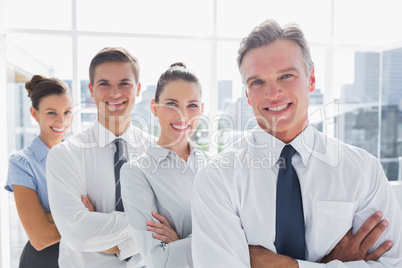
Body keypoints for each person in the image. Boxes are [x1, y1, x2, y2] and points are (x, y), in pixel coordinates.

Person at [191, 19, 402, 267]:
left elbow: (390, 264)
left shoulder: (364, 171)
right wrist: (332, 263)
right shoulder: (217, 179)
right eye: (257, 82)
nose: (273, 93)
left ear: (311, 79)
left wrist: (287, 265)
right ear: (247, 94)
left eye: (286, 76)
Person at [46, 47, 151, 268]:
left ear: (138, 89)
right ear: (91, 90)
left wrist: (98, 224)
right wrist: (148, 224)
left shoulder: (156, 153)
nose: (115, 93)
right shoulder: (65, 155)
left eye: (124, 83)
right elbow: (77, 233)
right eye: (104, 84)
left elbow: (176, 227)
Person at [120, 62, 208, 268]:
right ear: (154, 108)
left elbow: (242, 236)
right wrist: (214, 242)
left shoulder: (215, 165)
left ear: (201, 110)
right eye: (171, 104)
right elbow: (158, 260)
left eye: (192, 105)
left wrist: (179, 244)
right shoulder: (137, 172)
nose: (183, 115)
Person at [5, 75, 73, 267]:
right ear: (35, 114)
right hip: (43, 260)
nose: (62, 120)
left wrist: (51, 216)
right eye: (52, 112)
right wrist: (82, 218)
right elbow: (40, 237)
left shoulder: (81, 156)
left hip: (81, 258)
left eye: (67, 112)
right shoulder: (22, 164)